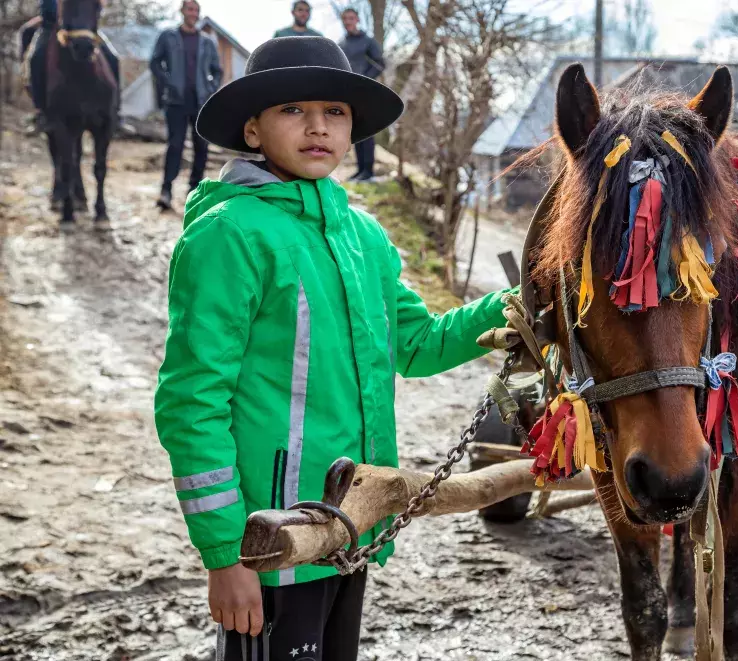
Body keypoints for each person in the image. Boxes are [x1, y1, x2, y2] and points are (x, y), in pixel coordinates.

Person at [154, 36, 515, 661]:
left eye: (336, 112)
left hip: (351, 521)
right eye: (293, 110)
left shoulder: (362, 235)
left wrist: (509, 304)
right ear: (252, 128)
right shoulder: (228, 235)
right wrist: (224, 556)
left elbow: (416, 343)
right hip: (272, 538)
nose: (319, 127)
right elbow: (191, 404)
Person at [149, 0, 222, 211]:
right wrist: (168, 82)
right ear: (182, 11)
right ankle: (166, 190)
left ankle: (195, 190)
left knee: (201, 146)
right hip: (176, 101)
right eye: (190, 9)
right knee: (175, 145)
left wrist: (210, 89)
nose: (193, 13)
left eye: (196, 10)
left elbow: (216, 70)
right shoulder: (168, 36)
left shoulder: (207, 41)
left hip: (200, 102)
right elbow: (155, 62)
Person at [20, 0, 121, 134]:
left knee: (113, 58)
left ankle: (116, 113)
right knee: (36, 56)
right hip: (51, 25)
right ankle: (41, 113)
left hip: (83, 27)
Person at [338, 7, 384, 181]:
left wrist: (365, 79)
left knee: (367, 130)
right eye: (345, 19)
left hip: (366, 90)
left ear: (357, 20)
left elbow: (380, 64)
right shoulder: (341, 44)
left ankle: (369, 171)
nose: (348, 21)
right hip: (349, 92)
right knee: (355, 131)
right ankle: (360, 170)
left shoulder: (368, 41)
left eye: (351, 18)